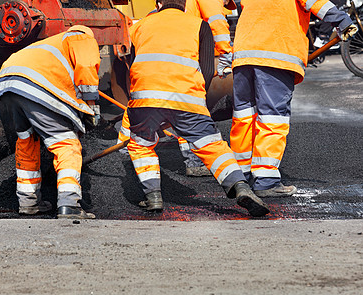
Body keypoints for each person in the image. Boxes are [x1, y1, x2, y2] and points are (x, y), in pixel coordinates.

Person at [126, 0, 270, 217]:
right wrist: (192, 98)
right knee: (212, 144)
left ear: (158, 3)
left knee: (140, 144)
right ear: (184, 5)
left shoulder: (140, 25)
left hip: (145, 98)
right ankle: (240, 186)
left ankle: (153, 196)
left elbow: (134, 62)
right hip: (187, 97)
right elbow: (206, 67)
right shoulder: (198, 25)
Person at [231, 0, 357, 197]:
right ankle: (266, 180)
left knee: (245, 116)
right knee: (272, 117)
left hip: (243, 52)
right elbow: (316, 2)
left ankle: (239, 177)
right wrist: (342, 20)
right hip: (275, 50)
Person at [117, 0, 238, 177]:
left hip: (165, 51)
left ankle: (129, 143)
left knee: (145, 98)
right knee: (189, 110)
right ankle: (196, 162)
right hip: (186, 48)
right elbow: (218, 24)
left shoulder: (150, 20)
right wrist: (225, 53)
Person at [0, 25, 101, 219]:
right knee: (66, 143)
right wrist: (92, 105)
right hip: (34, 82)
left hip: (7, 82)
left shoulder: (51, 45)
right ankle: (69, 205)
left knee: (27, 142)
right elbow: (86, 69)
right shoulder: (82, 36)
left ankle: (28, 203)